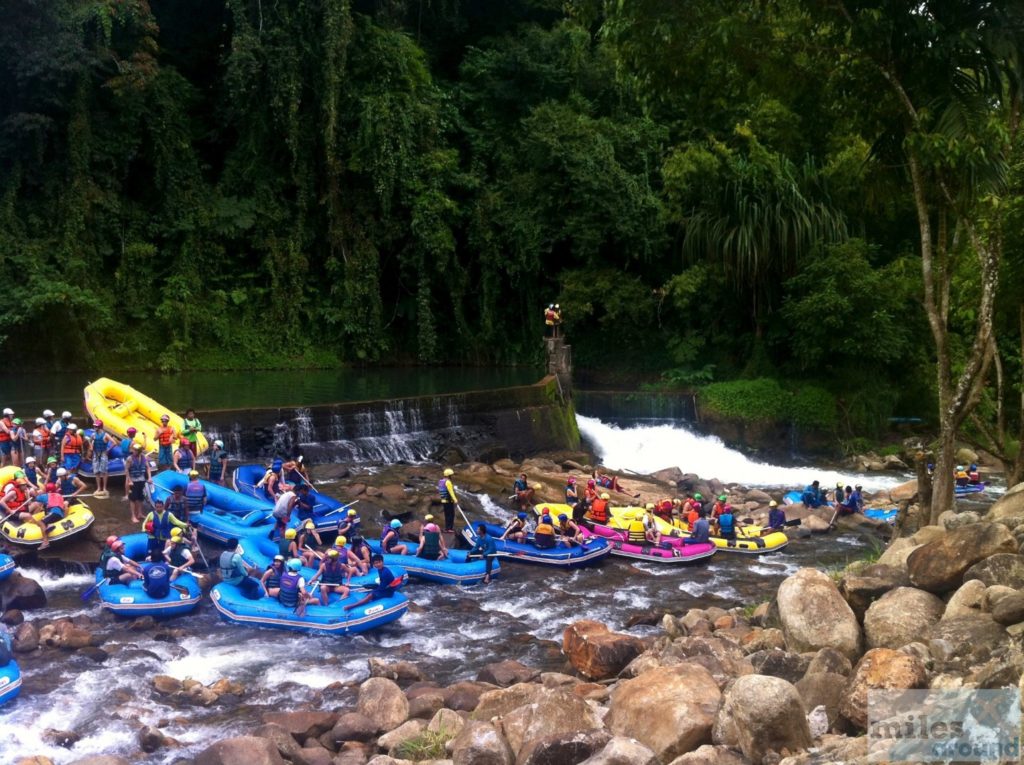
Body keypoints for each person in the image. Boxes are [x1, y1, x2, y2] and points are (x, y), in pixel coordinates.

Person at [1, 473, 49, 547]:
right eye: (24, 485)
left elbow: (29, 503)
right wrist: (10, 510)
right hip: (14, 511)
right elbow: (1, 501)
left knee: (37, 504)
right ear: (20, 486)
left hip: (21, 508)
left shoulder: (24, 491)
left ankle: (34, 521)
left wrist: (27, 495)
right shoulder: (13, 492)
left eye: (26, 485)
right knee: (28, 515)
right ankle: (38, 524)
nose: (26, 486)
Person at [88, 421, 116, 498]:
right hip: (96, 454)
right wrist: (91, 447)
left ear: (100, 427)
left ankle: (104, 488)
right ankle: (98, 488)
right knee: (96, 471)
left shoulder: (105, 435)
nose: (94, 427)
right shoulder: (93, 434)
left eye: (96, 426)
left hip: (103, 453)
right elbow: (89, 441)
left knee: (104, 471)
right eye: (94, 426)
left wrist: (108, 450)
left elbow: (114, 443)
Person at [438, 468, 458, 533]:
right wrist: (455, 499)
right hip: (448, 501)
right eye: (451, 475)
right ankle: (449, 528)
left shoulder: (441, 481)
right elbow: (451, 492)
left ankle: (447, 528)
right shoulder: (448, 482)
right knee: (451, 514)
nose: (452, 476)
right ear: (449, 475)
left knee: (447, 514)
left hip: (444, 501)